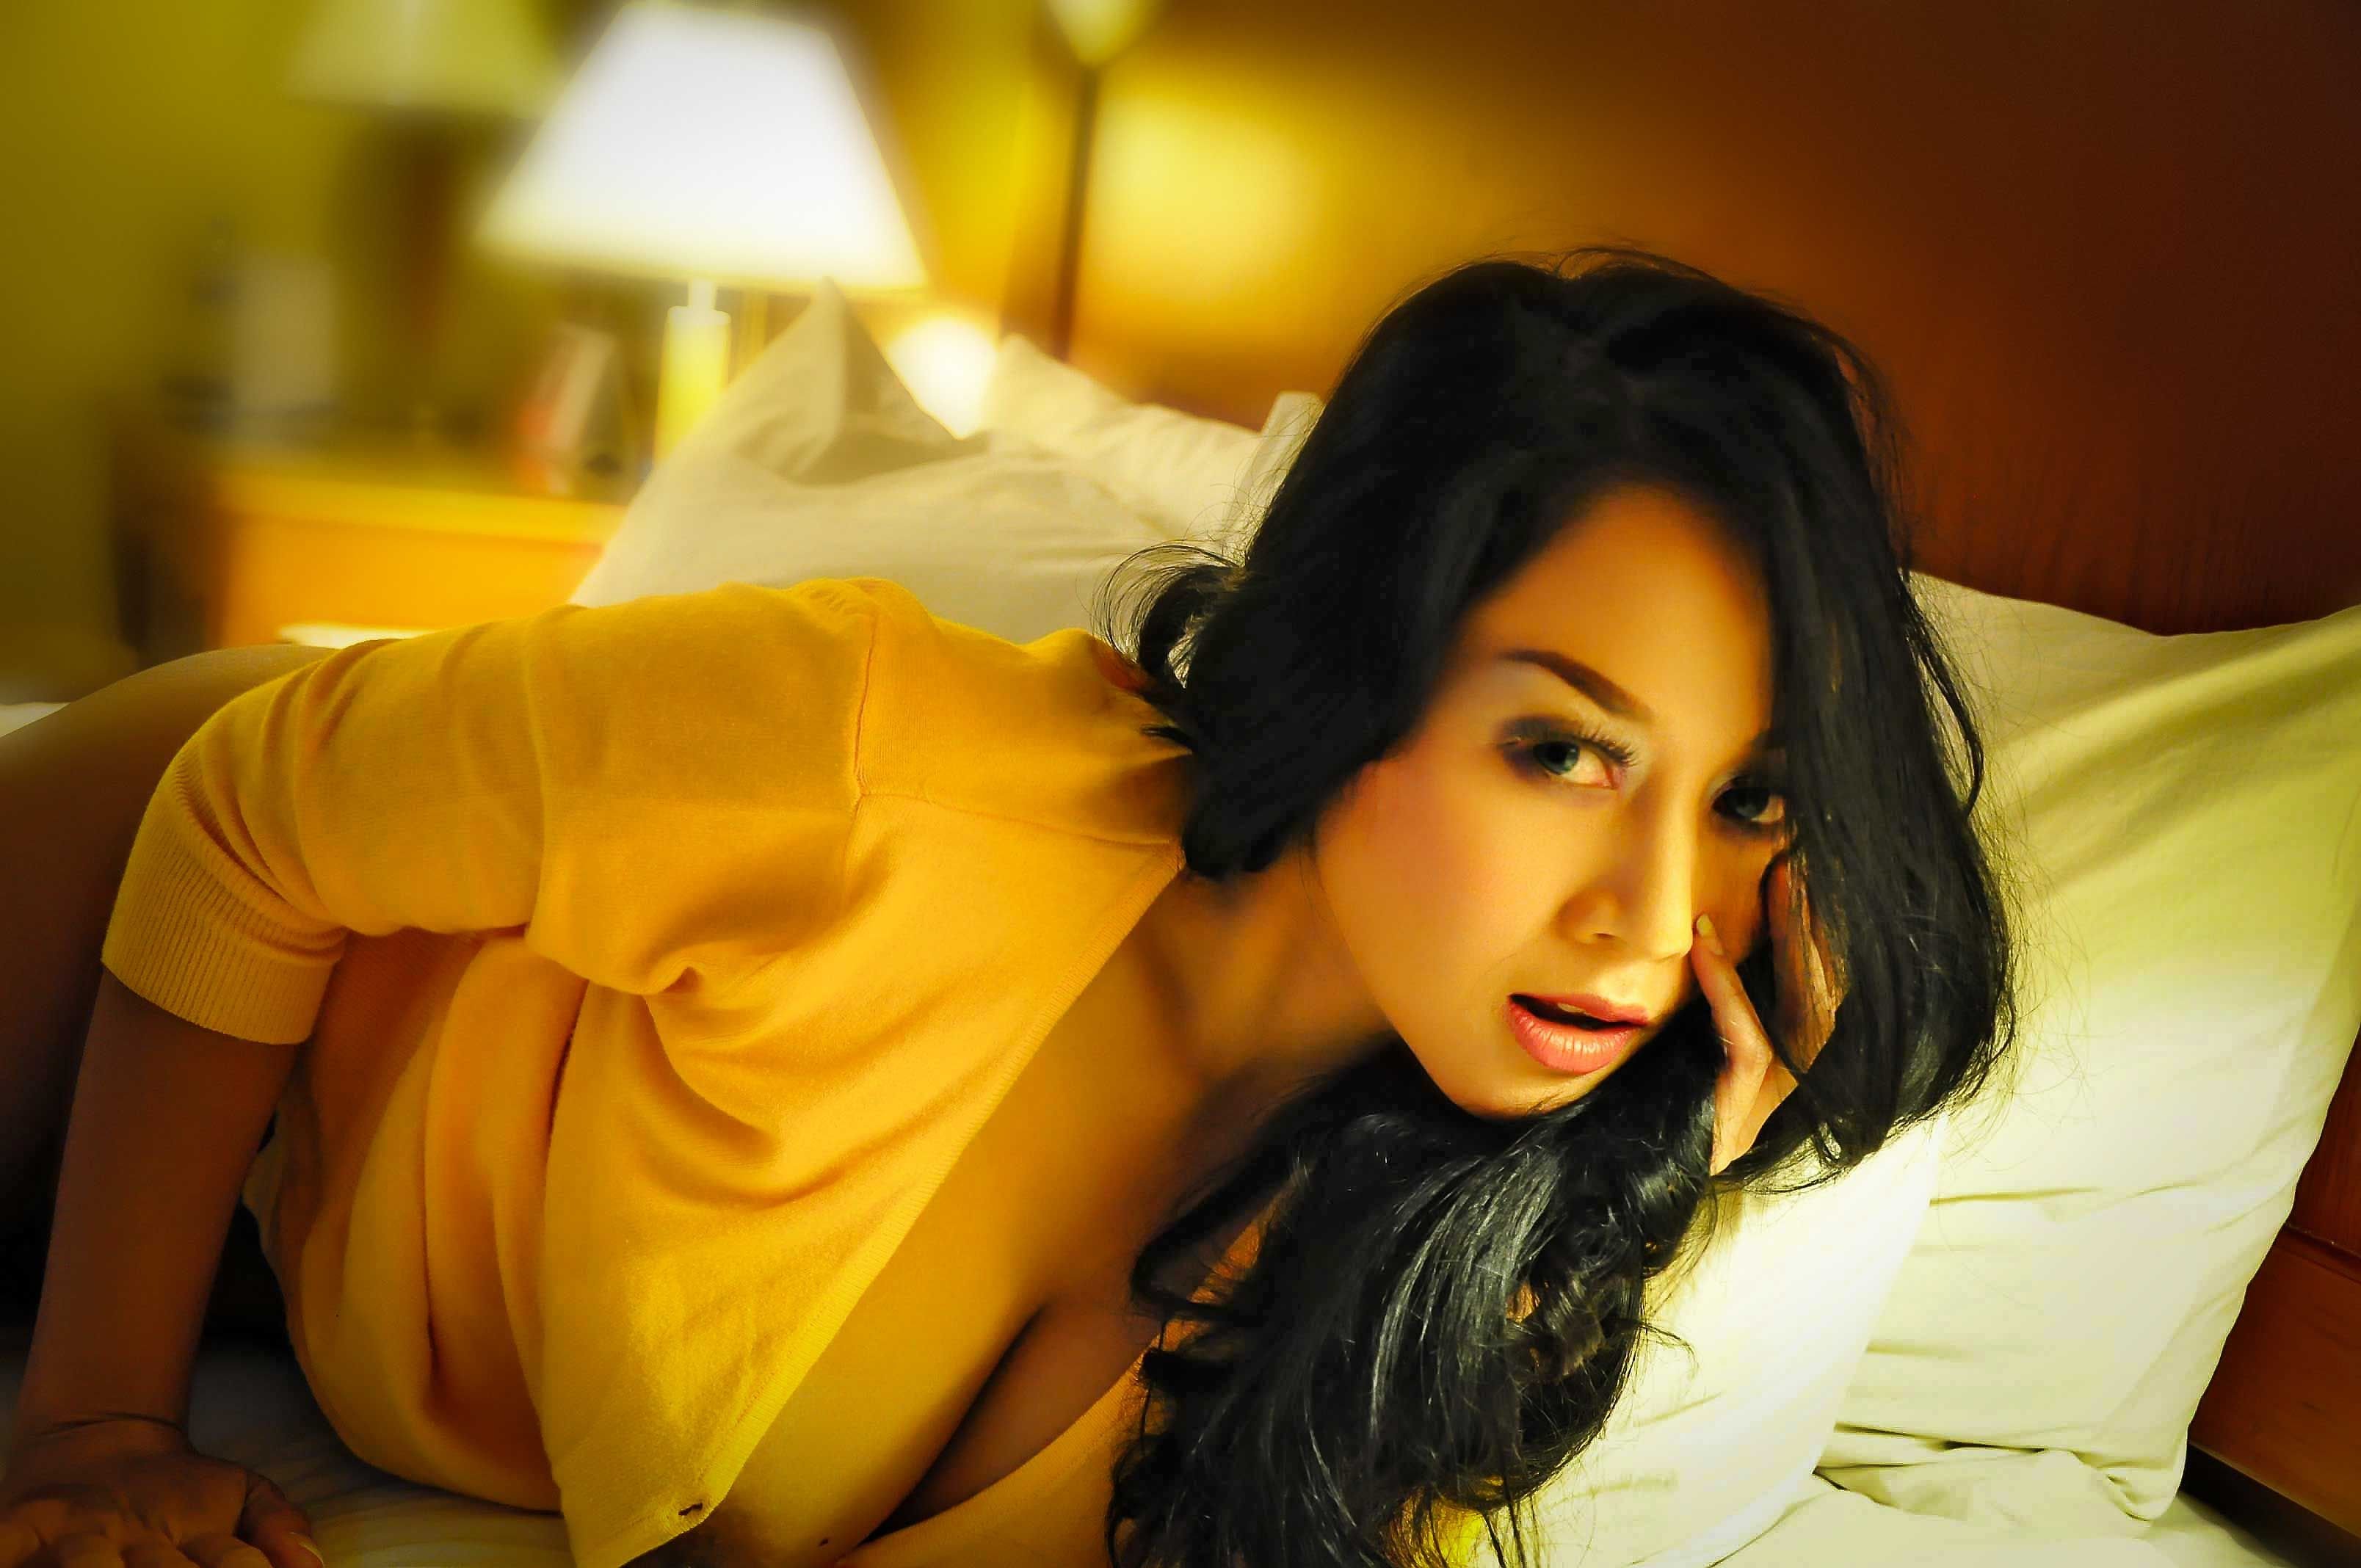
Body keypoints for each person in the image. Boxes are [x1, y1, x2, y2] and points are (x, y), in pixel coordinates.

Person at [0, 246, 2016, 1568]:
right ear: (1362, 667)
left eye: (1748, 799)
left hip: (324, 1293)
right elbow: (250, 817)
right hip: (141, 946)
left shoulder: (1450, 1207)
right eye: (1561, 750)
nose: (1653, 917)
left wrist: (1636, 1203)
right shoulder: (883, 754)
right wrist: (93, 1414)